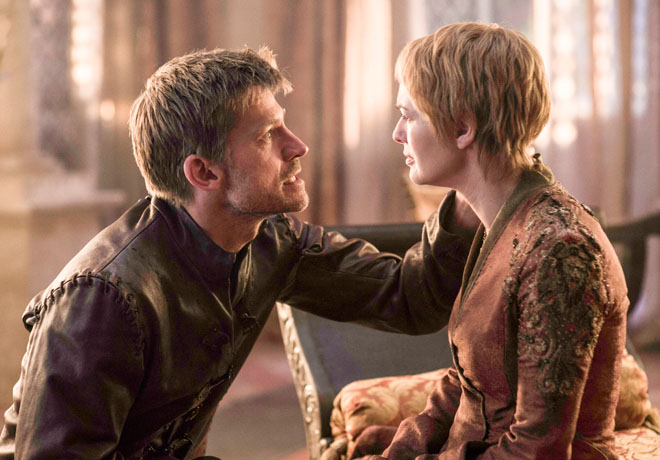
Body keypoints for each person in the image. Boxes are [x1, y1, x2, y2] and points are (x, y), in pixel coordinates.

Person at [0, 47, 478, 459]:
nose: (298, 146)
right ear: (204, 173)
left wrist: (473, 183)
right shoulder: (100, 301)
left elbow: (410, 298)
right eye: (267, 135)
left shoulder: (269, 239)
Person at [350, 22, 629, 460]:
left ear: (463, 128)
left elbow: (538, 449)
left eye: (408, 115)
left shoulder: (559, 250)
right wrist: (404, 447)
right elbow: (472, 381)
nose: (397, 133)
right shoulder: (497, 219)